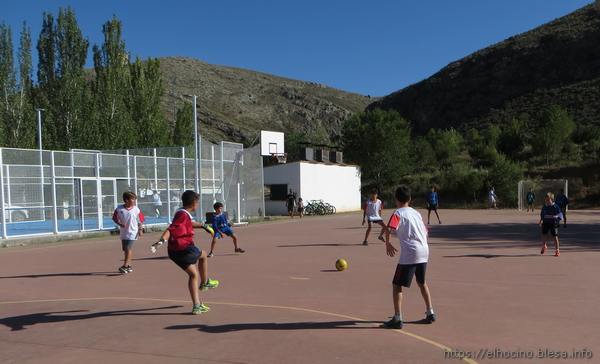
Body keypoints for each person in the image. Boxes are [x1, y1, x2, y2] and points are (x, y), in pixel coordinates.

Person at [154, 190, 219, 314]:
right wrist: (162, 240)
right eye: (198, 202)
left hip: (174, 251)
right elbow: (171, 228)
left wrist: (203, 226)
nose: (198, 204)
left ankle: (197, 306)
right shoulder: (183, 215)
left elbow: (188, 224)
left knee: (194, 275)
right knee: (204, 255)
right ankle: (205, 283)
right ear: (194, 203)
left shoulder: (182, 213)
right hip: (183, 247)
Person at [382, 185, 436, 329]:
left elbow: (390, 228)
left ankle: (398, 318)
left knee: (397, 286)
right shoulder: (416, 213)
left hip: (411, 253)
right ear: (410, 199)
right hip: (424, 250)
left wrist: (388, 243)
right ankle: (430, 312)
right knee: (421, 282)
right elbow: (425, 231)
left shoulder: (398, 213)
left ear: (396, 199)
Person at [112, 191, 145, 274]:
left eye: (135, 199)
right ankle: (129, 267)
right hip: (124, 233)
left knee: (128, 248)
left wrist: (140, 229)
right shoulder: (119, 209)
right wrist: (119, 224)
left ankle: (125, 266)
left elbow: (140, 220)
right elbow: (114, 218)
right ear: (126, 200)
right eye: (132, 199)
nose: (134, 201)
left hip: (133, 232)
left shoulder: (136, 209)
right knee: (125, 249)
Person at [540, 192, 563, 257]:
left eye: (548, 200)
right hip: (546, 222)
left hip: (553, 223)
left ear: (552, 200)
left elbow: (560, 215)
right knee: (544, 235)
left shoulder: (555, 206)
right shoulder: (544, 206)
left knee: (555, 237)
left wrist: (557, 218)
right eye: (546, 200)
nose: (547, 201)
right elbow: (542, 214)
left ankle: (557, 250)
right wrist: (541, 220)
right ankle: (544, 246)